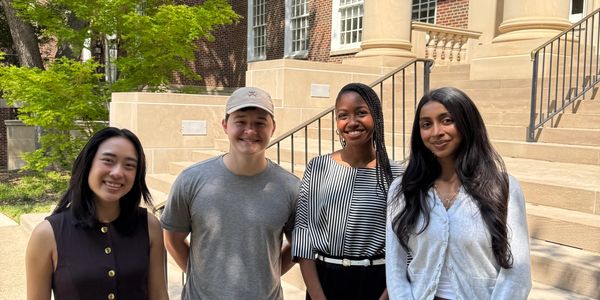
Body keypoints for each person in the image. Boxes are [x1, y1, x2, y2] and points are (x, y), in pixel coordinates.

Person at [386, 87, 532, 300]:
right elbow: (395, 267)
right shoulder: (403, 189)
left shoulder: (502, 187)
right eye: (426, 124)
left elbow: (518, 274)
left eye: (447, 120)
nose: (436, 132)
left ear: (467, 123)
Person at [161, 86, 300, 299]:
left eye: (260, 123)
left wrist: (267, 276)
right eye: (241, 121)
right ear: (225, 125)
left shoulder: (291, 188)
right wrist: (203, 277)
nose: (250, 131)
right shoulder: (191, 180)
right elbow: (172, 239)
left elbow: (298, 245)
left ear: (273, 128)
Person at [26, 127, 168, 300]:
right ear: (88, 164)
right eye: (108, 160)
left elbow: (159, 295)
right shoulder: (46, 234)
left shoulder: (149, 225)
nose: (117, 173)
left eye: (129, 165)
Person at [292, 83, 403, 300]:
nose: (352, 122)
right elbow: (303, 235)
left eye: (361, 113)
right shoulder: (318, 167)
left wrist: (387, 296)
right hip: (324, 282)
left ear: (376, 116)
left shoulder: (398, 174)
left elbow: (406, 242)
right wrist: (317, 297)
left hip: (378, 282)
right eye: (343, 115)